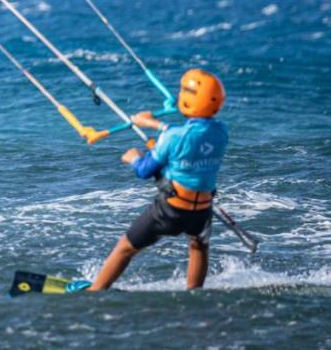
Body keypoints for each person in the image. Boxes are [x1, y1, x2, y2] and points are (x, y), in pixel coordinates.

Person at [89, 68, 229, 291]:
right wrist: (155, 124)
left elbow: (145, 171)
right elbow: (188, 138)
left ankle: (95, 290)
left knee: (125, 247)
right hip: (202, 211)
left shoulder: (172, 138)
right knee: (198, 246)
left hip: (170, 211)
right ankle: (194, 293)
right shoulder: (221, 132)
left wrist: (133, 158)